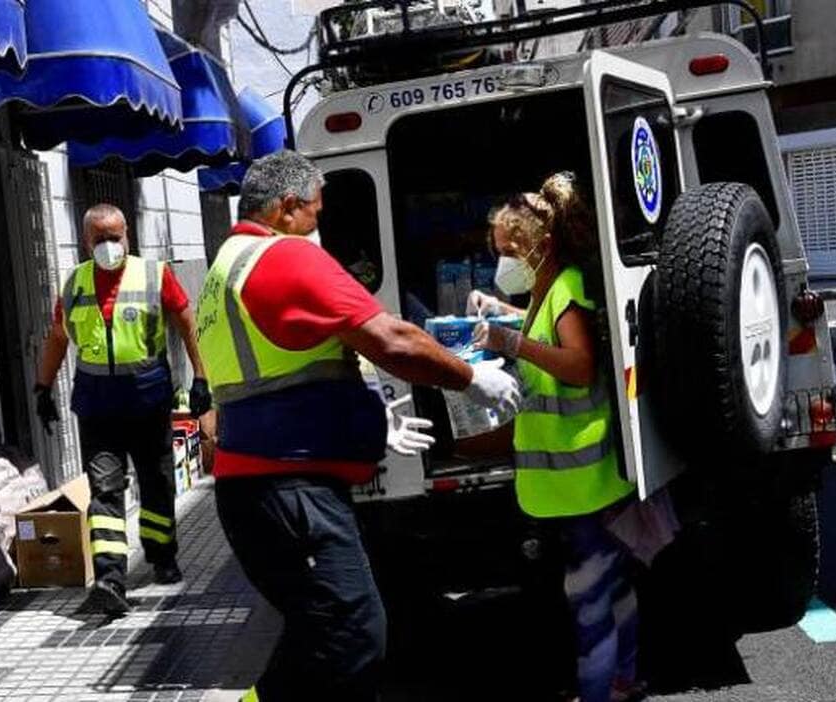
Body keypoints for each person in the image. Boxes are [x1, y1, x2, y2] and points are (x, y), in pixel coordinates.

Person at [196, 150, 520, 702]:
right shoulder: (285, 259)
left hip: (261, 488)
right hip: (289, 490)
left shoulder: (224, 270)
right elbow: (392, 338)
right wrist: (470, 378)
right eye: (316, 215)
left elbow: (287, 370)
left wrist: (366, 421)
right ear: (287, 208)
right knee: (353, 632)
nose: (318, 228)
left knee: (320, 627)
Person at [471, 173, 643, 702]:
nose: (503, 262)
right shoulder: (551, 290)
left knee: (586, 597)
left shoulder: (565, 286)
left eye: (508, 251)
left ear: (539, 246)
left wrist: (509, 344)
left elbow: (578, 365)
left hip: (582, 480)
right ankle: (627, 678)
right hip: (579, 481)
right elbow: (544, 330)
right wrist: (505, 316)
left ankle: (599, 693)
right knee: (613, 588)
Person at [35, 204, 211, 615]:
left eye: (116, 237)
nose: (110, 245)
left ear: (127, 235)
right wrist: (42, 387)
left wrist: (201, 378)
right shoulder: (75, 283)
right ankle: (111, 580)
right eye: (101, 239)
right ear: (86, 242)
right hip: (97, 406)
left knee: (156, 483)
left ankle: (162, 555)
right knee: (105, 491)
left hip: (148, 400)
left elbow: (187, 322)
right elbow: (59, 338)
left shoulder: (154, 274)